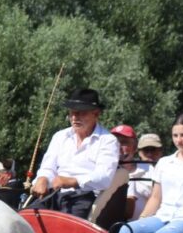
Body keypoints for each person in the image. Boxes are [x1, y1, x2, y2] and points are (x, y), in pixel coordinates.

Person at [29, 88, 120, 219]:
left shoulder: (108, 141)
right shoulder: (60, 136)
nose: (74, 118)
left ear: (96, 114)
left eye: (81, 113)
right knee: (26, 219)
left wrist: (71, 181)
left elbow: (103, 178)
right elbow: (47, 167)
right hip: (53, 195)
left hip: (84, 198)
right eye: (72, 113)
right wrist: (42, 179)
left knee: (66, 230)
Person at [127, 133, 163, 221]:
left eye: (153, 149)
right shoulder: (131, 169)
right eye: (146, 150)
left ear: (161, 151)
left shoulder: (168, 169)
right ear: (139, 152)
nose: (150, 153)